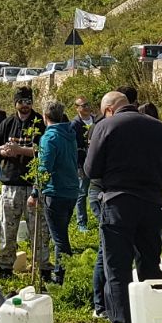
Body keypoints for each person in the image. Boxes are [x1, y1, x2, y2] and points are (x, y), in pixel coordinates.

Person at [85, 91, 162, 323]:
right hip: (152, 203)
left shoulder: (106, 126)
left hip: (118, 202)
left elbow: (91, 170)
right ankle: (154, 322)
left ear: (109, 109)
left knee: (117, 269)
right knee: (150, 265)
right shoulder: (159, 127)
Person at [0, 87, 49, 282]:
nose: (25, 106)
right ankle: (5, 265)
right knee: (8, 229)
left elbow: (45, 152)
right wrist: (3, 152)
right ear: (15, 103)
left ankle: (42, 267)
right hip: (10, 183)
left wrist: (21, 150)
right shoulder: (7, 123)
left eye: (28, 102)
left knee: (38, 230)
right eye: (21, 102)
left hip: (33, 183)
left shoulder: (40, 123)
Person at [37, 101, 80, 283]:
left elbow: (44, 168)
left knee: (59, 238)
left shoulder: (50, 138)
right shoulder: (70, 134)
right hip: (71, 190)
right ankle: (60, 272)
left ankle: (63, 275)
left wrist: (35, 191)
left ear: (45, 116)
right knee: (61, 234)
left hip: (55, 191)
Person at [72, 96, 97, 231]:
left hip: (98, 161)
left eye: (87, 104)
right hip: (82, 163)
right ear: (77, 108)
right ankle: (81, 222)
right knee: (82, 192)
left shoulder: (96, 120)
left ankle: (101, 217)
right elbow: (74, 146)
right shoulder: (75, 124)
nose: (86, 107)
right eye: (83, 105)